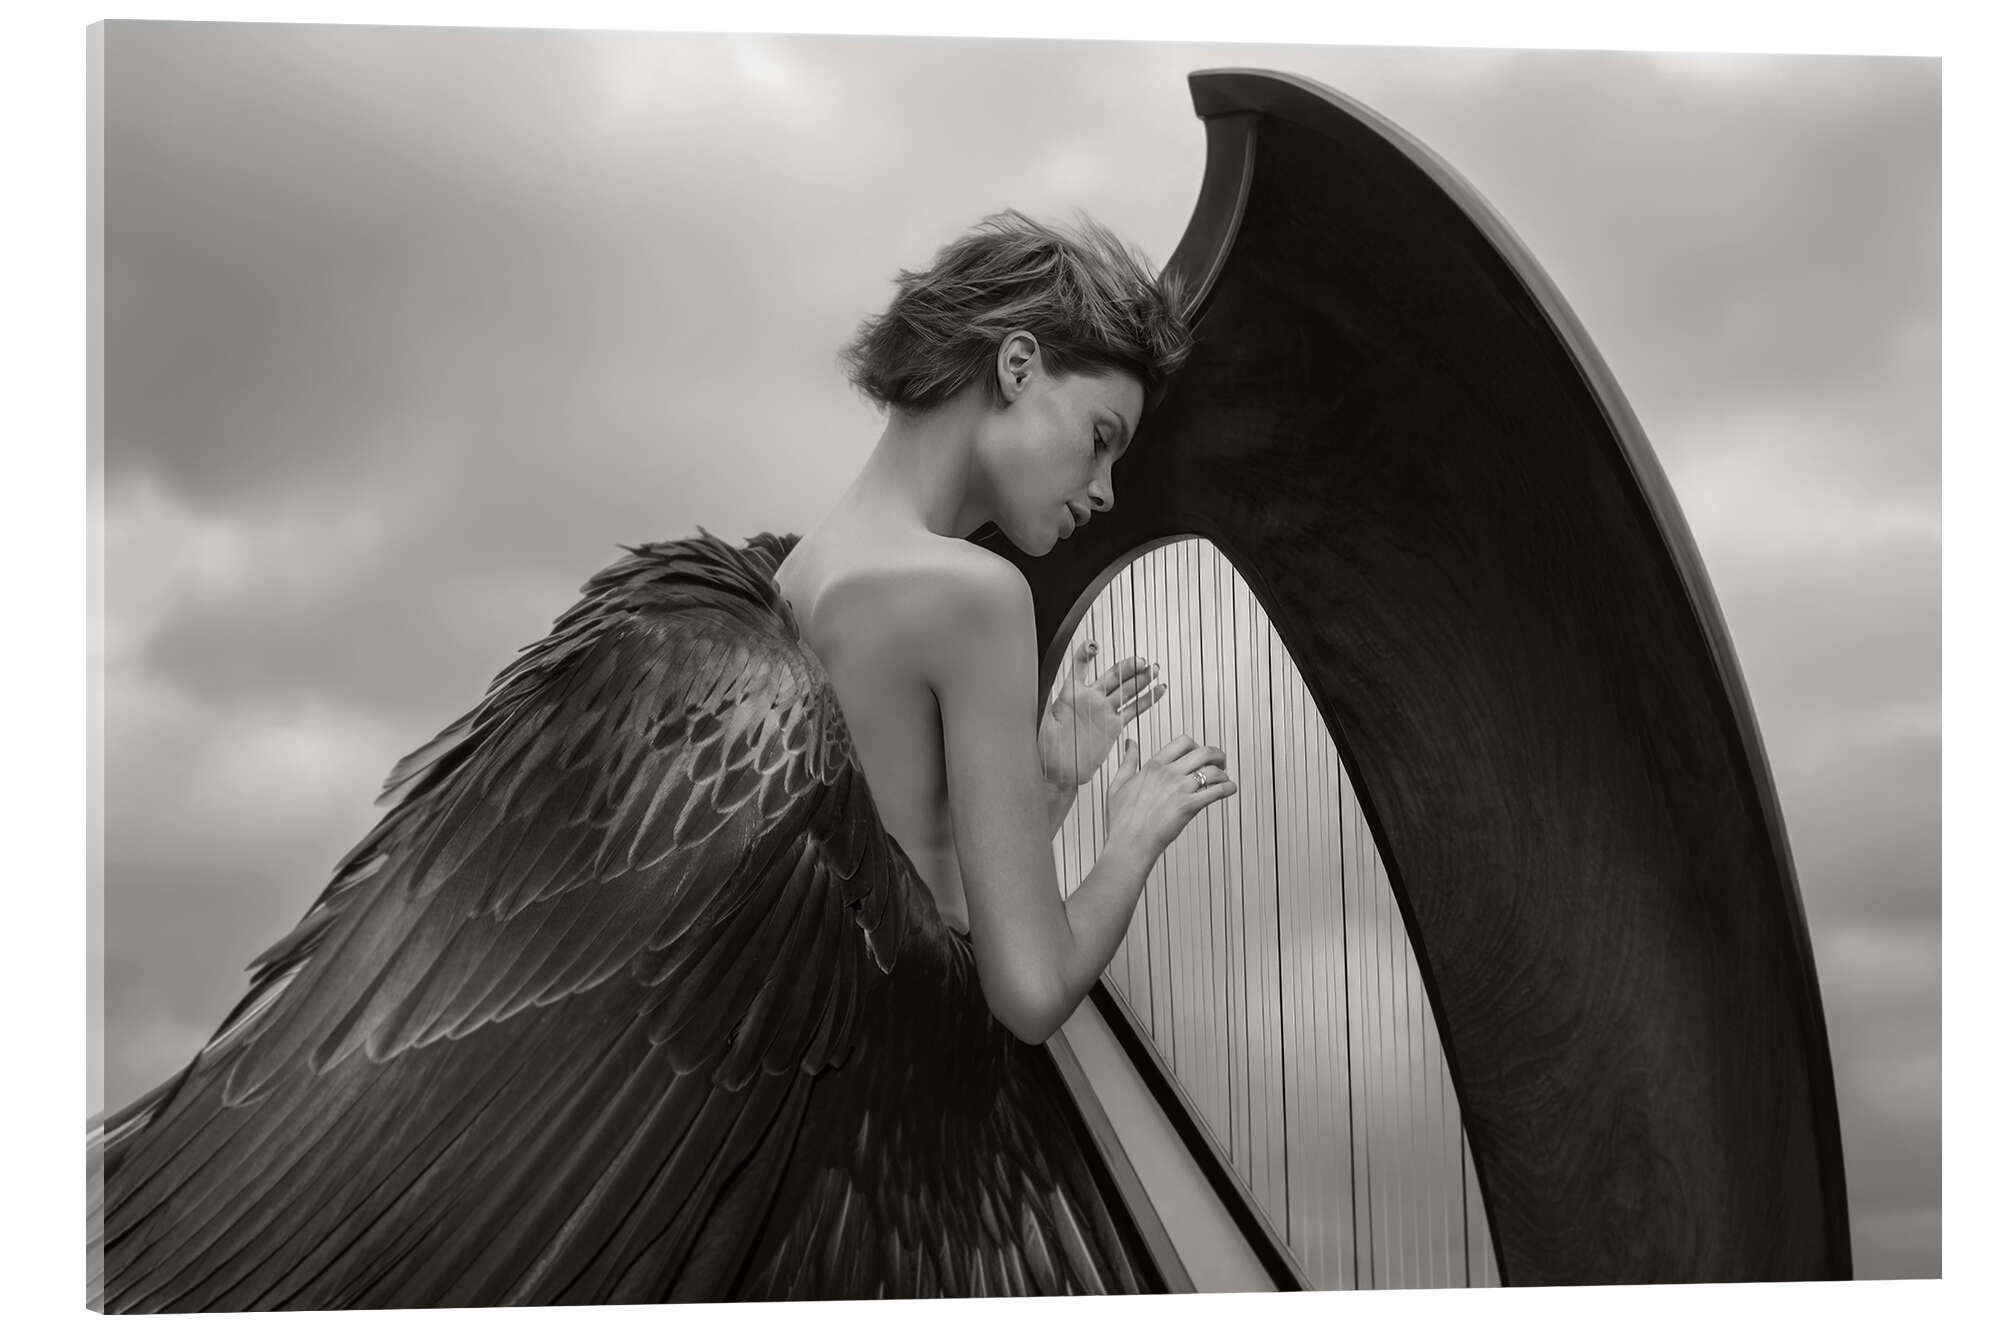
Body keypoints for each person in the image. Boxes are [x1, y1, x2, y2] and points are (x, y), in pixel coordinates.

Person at [91, 210, 1241, 1309]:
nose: (1101, 490)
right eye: (1101, 439)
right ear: (1017, 365)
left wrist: (1047, 783)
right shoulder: (976, 599)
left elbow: (895, 896)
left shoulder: (788, 582)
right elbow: (1025, 991)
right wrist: (1133, 827)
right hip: (873, 1175)